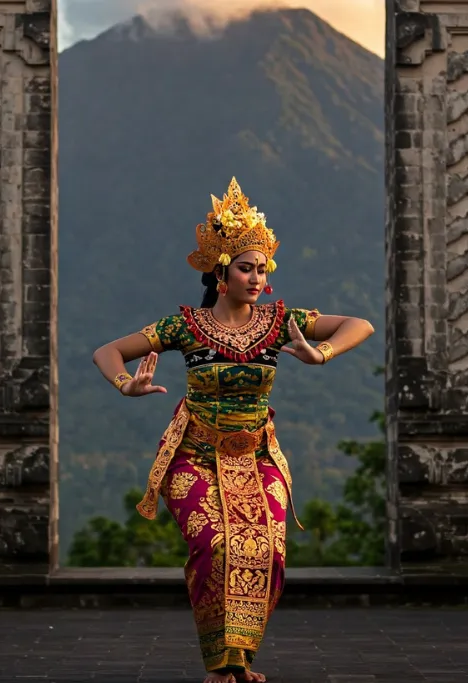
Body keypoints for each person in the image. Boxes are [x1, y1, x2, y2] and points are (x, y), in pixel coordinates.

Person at [92, 178, 375, 683]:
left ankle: (239, 661)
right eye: (246, 267)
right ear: (221, 271)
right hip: (194, 454)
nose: (257, 278)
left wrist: (321, 352)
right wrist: (124, 385)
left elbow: (359, 324)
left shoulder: (280, 320)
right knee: (216, 544)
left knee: (267, 548)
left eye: (263, 269)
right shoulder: (185, 327)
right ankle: (219, 665)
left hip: (258, 456)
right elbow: (107, 351)